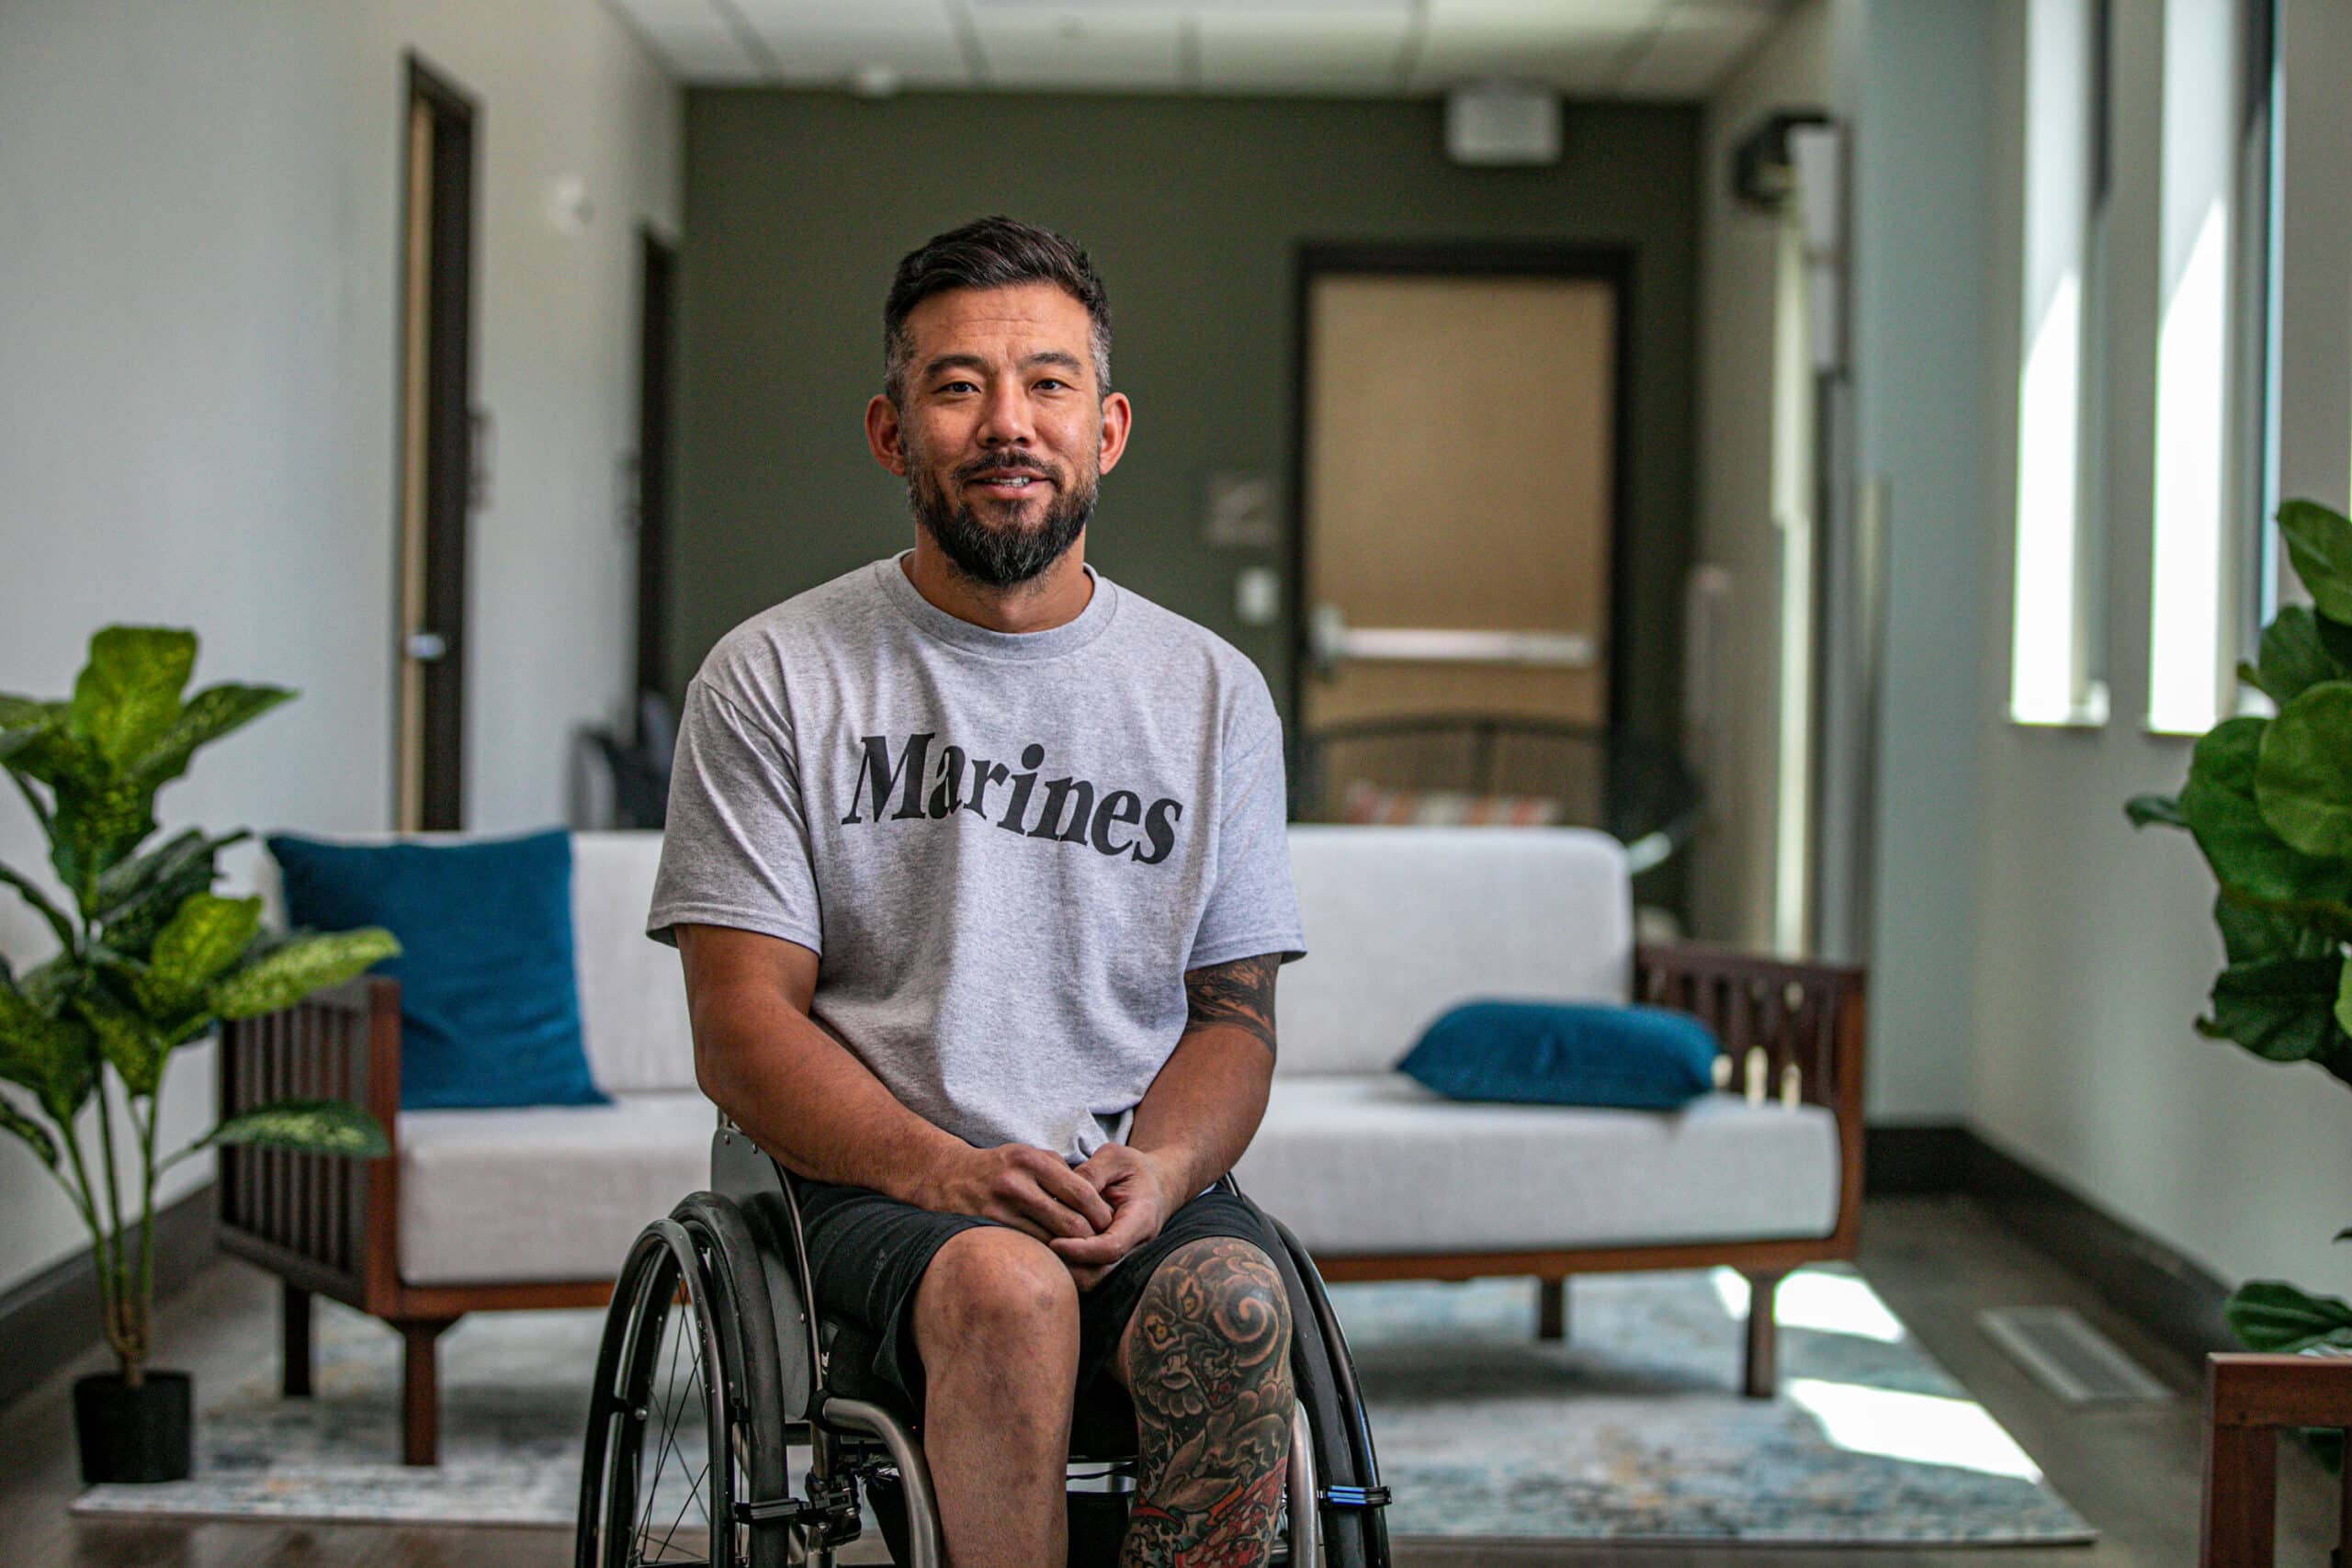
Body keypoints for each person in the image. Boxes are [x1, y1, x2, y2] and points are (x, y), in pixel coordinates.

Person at [645, 215, 1309, 1568]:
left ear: (1106, 429)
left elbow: (1232, 1018)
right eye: (959, 385)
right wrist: (948, 1173)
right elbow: (742, 1028)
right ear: (894, 433)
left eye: (1048, 383)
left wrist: (1167, 1166)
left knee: (1241, 1304)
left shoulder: (1210, 694)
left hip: (1124, 1174)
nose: (1009, 422)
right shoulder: (774, 676)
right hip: (870, 1180)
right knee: (1008, 1289)